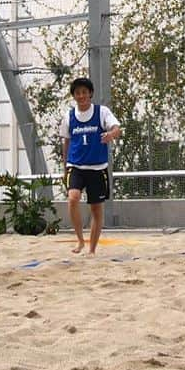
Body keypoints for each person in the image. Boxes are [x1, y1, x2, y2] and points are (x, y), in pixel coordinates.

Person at [59, 76, 121, 256]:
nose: (81, 96)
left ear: (90, 94)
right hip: (75, 166)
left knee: (96, 208)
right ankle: (80, 240)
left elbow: (117, 128)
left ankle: (92, 249)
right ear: (74, 96)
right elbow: (66, 142)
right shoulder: (69, 116)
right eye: (78, 93)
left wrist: (111, 135)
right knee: (73, 198)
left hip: (97, 167)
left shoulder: (102, 112)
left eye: (84, 92)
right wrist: (65, 167)